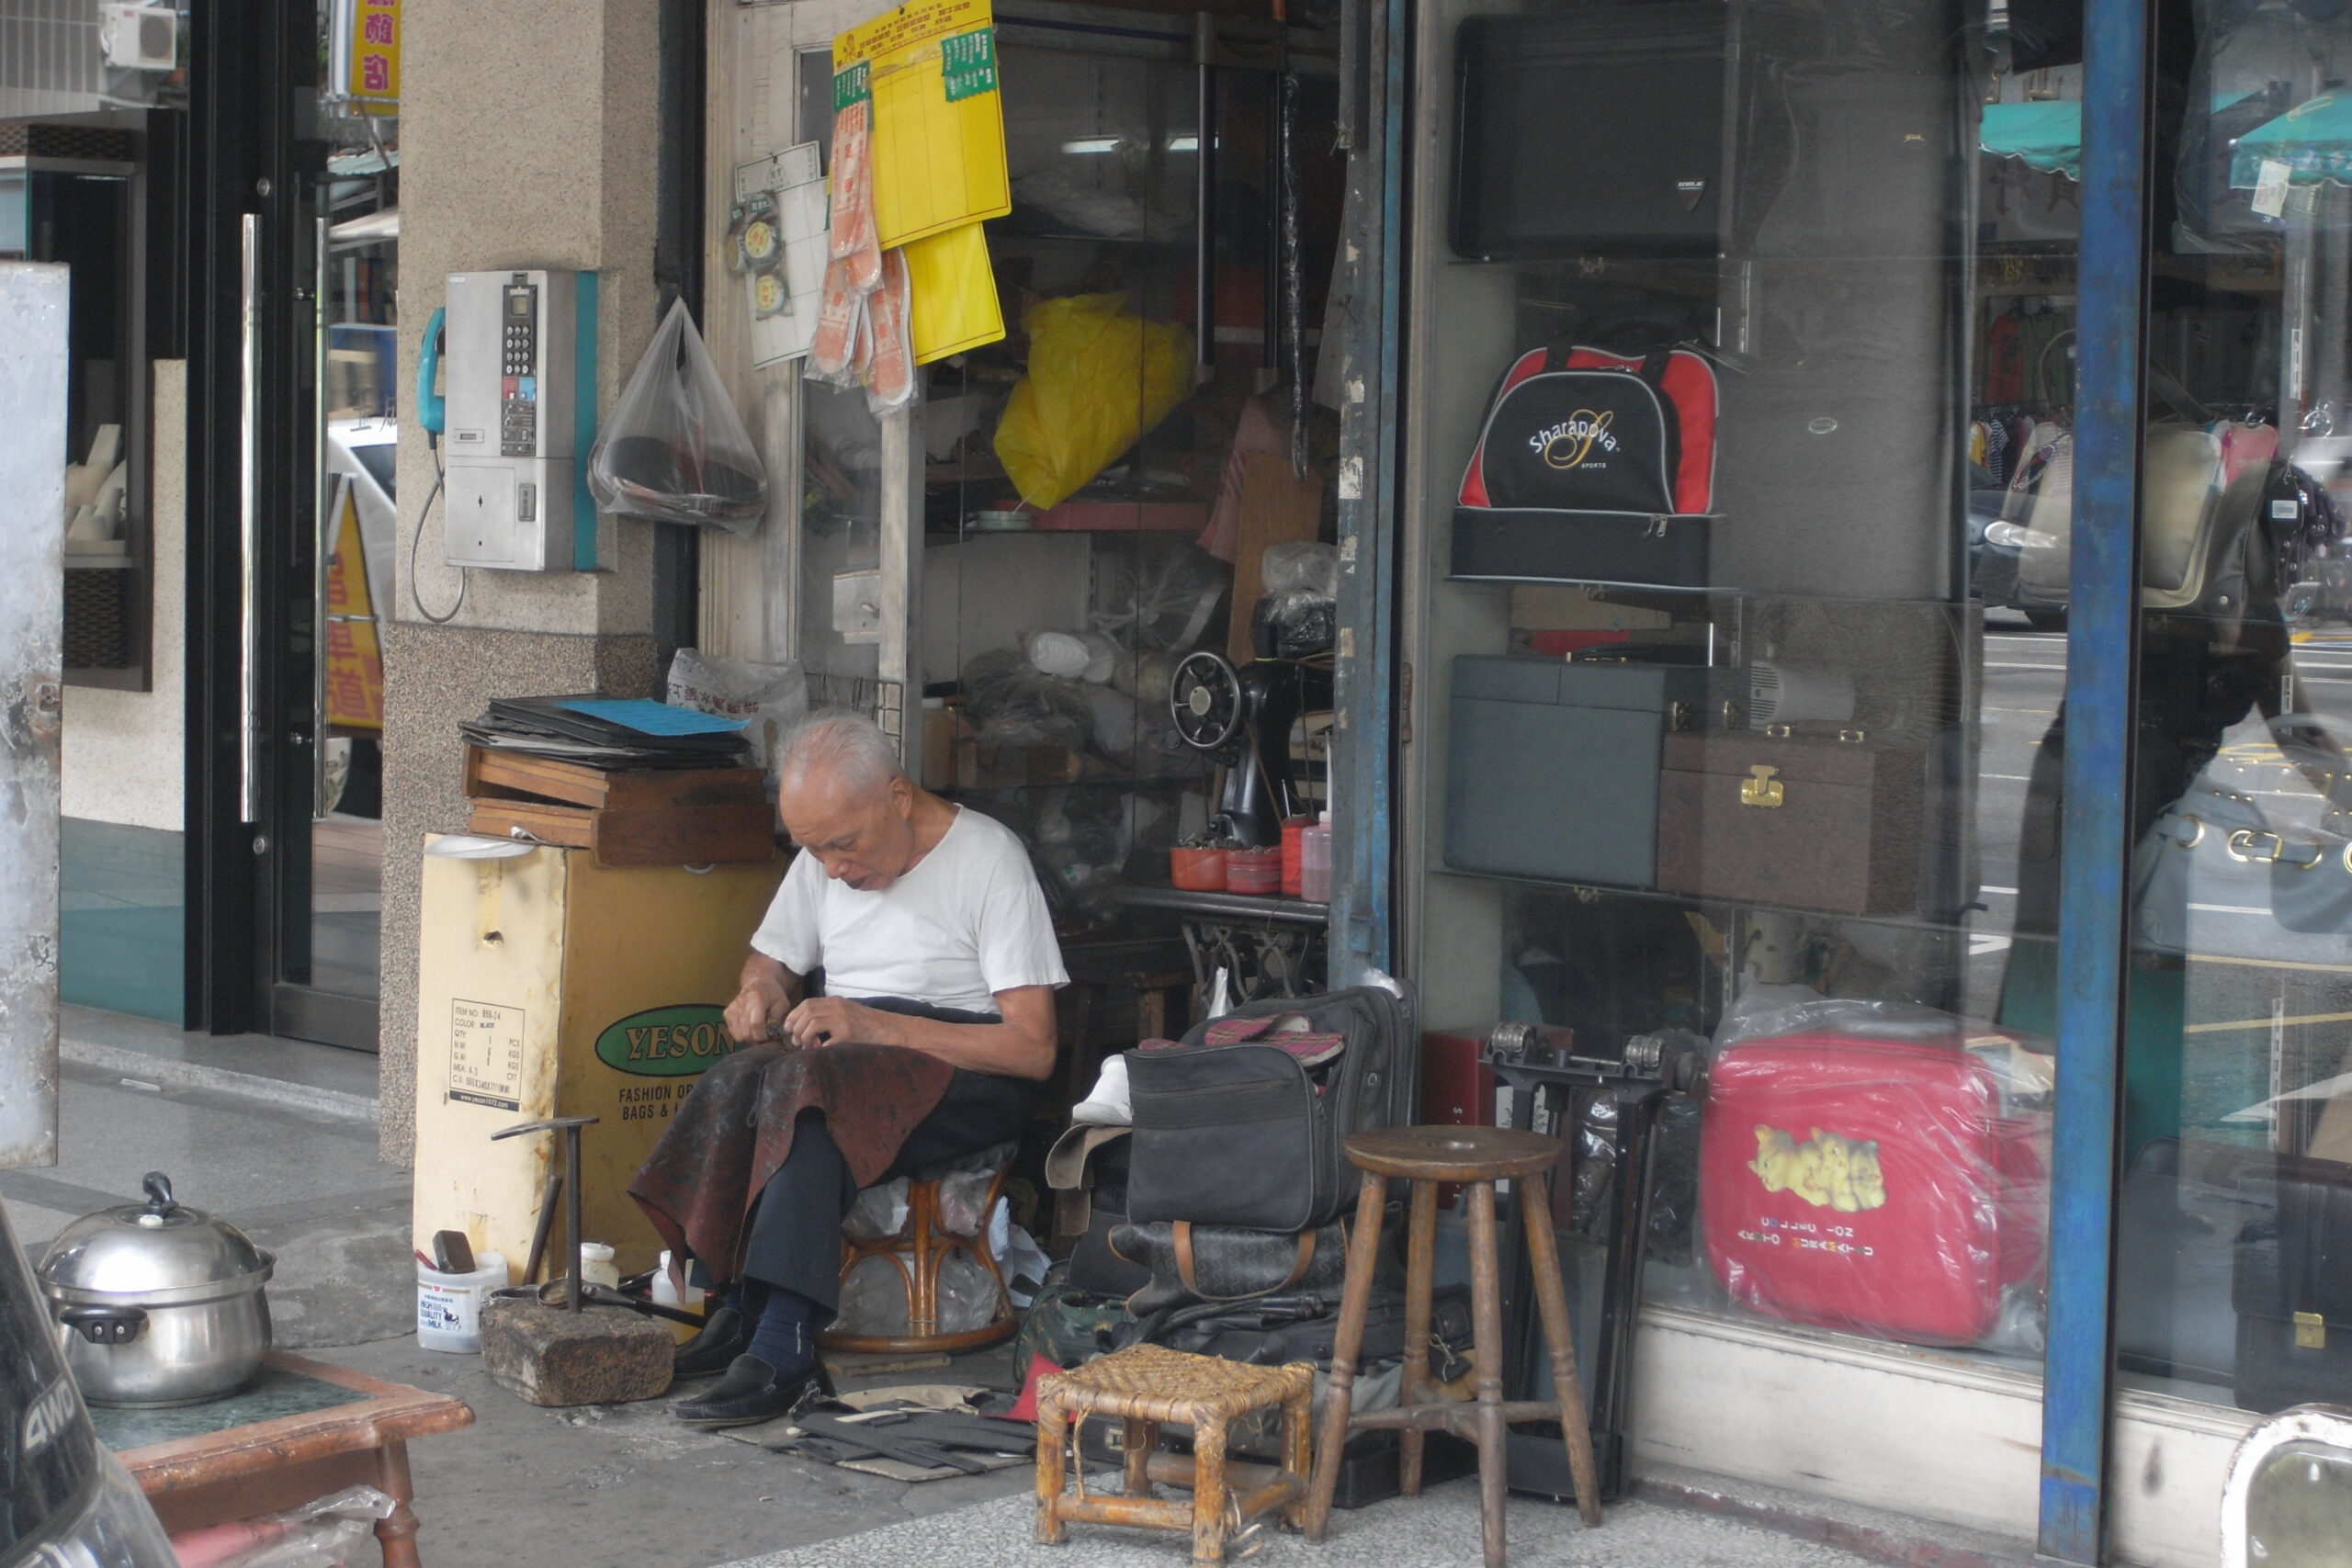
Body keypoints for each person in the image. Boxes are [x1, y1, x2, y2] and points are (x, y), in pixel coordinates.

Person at [629, 709, 1067, 1427]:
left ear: (897, 797)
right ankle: (736, 1307)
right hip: (846, 1064)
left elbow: (1033, 1047)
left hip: (965, 1072)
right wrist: (761, 989)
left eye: (843, 845)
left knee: (808, 1097)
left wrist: (874, 1025)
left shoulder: (990, 859)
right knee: (740, 1079)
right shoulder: (823, 854)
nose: (832, 867)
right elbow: (771, 957)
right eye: (814, 850)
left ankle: (784, 1340)